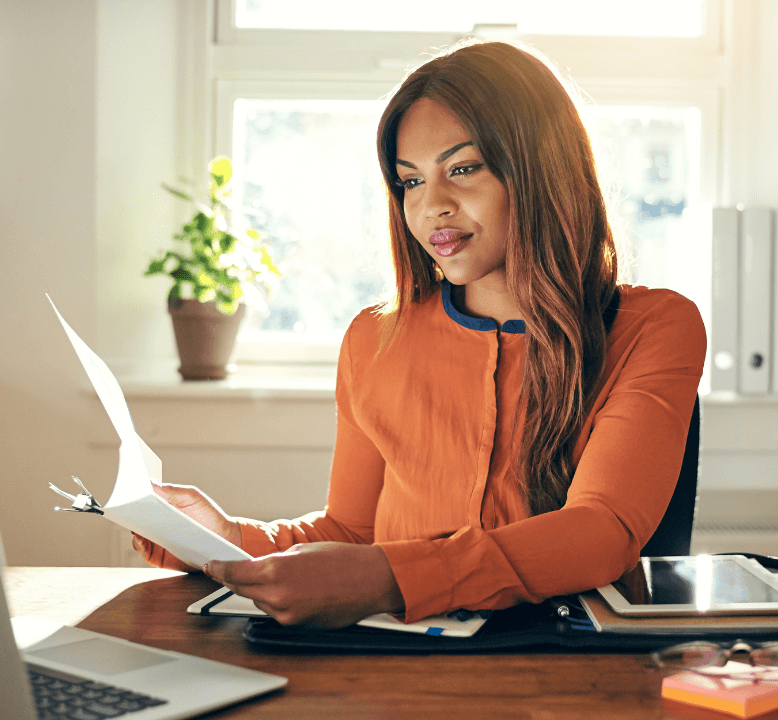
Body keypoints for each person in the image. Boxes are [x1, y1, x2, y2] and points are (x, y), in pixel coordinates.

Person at [134, 40, 705, 628]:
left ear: (542, 168)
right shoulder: (373, 339)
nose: (431, 206)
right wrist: (227, 538)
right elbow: (351, 534)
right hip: (396, 667)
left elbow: (600, 532)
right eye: (410, 182)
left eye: (462, 169)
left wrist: (389, 579)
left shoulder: (656, 326)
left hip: (566, 671)